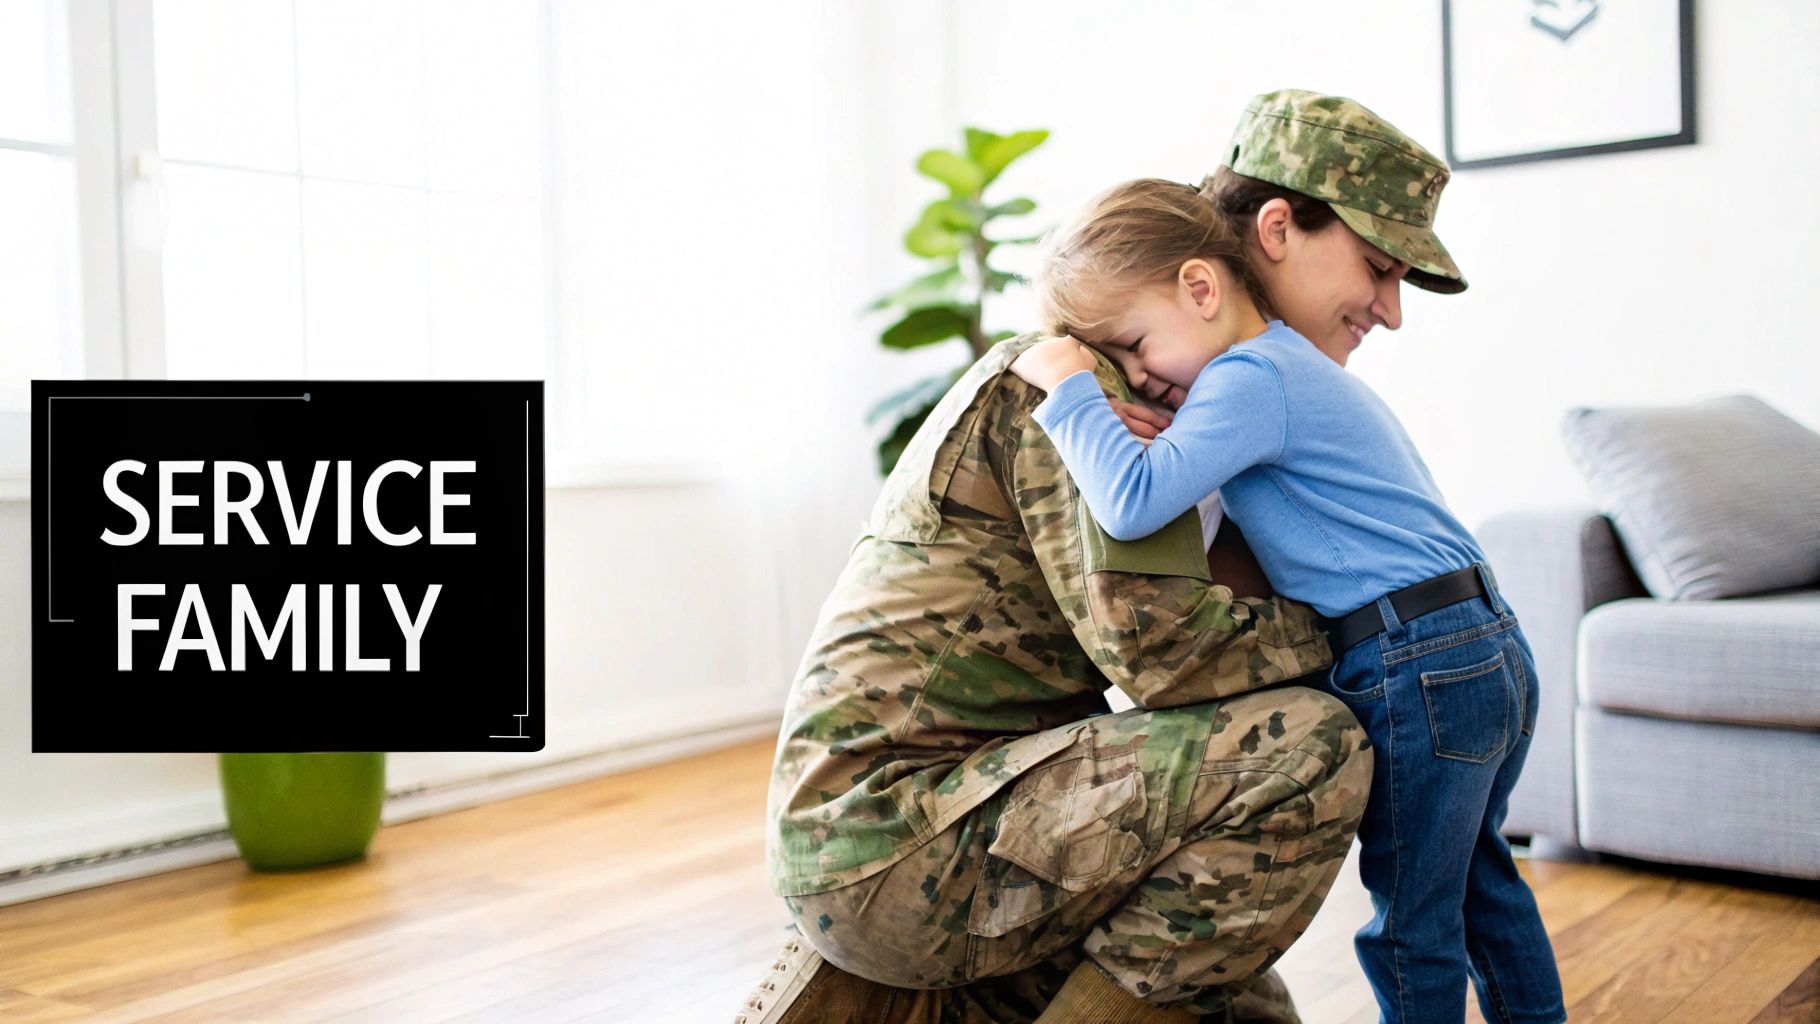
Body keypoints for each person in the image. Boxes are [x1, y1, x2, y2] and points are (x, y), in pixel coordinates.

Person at [1009, 90, 1567, 1024]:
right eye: (1379, 271)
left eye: (1138, 347)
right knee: (1482, 890)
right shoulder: (1282, 372)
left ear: (1199, 288)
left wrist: (1073, 392)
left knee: (1409, 924)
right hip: (1483, 645)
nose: (1141, 375)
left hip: (1414, 658)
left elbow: (1138, 498)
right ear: (1271, 230)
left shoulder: (1247, 377)